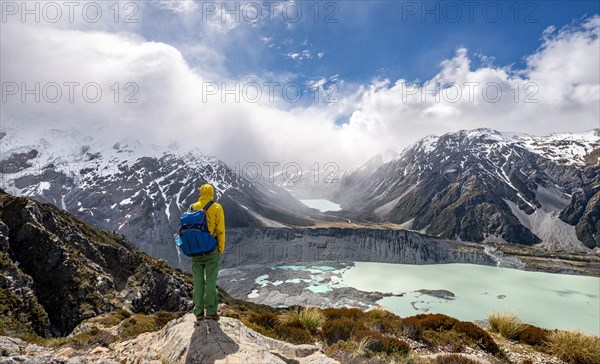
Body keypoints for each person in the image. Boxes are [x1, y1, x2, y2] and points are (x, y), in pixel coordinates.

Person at [190, 183, 225, 321]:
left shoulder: (193, 207)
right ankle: (211, 311)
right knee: (210, 281)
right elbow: (220, 230)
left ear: (200, 192)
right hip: (211, 250)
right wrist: (220, 248)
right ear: (212, 193)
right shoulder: (216, 207)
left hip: (196, 251)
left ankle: (198, 312)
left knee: (197, 281)